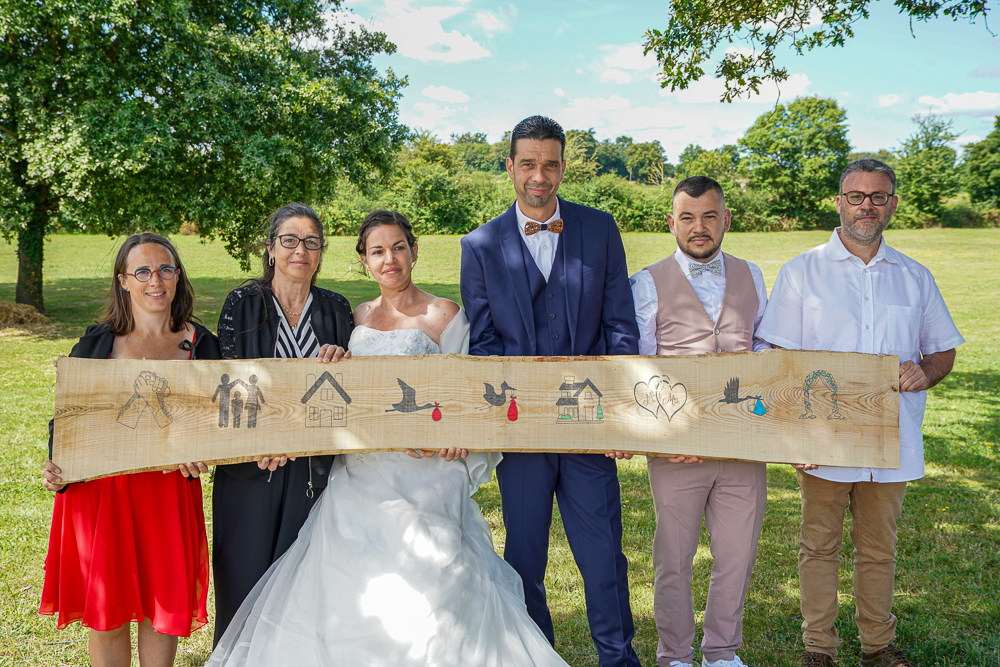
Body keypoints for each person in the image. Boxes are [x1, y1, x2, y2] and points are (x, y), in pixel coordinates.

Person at [207, 210, 570, 667]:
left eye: (398, 248)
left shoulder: (445, 314)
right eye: (377, 251)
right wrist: (337, 356)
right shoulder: (356, 317)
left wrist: (456, 438)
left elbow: (468, 392)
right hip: (360, 469)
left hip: (426, 468)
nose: (390, 259)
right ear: (364, 261)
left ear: (414, 251)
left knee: (433, 564)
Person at [757, 159, 964, 667]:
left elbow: (943, 350)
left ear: (892, 204)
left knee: (878, 548)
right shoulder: (802, 271)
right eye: (856, 196)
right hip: (822, 439)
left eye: (878, 196)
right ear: (839, 203)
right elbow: (775, 359)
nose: (866, 206)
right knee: (819, 546)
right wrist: (793, 436)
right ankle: (818, 648)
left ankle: (878, 645)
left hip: (892, 439)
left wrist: (925, 372)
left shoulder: (915, 277)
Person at [460, 115, 642, 667]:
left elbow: (621, 327)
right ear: (510, 167)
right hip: (522, 431)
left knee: (603, 556)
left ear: (563, 166)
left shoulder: (600, 229)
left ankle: (618, 657)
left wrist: (619, 416)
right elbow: (484, 343)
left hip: (590, 423)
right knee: (524, 558)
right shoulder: (480, 245)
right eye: (528, 164)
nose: (539, 176)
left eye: (550, 164)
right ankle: (535, 655)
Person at [40, 233, 220, 667]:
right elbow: (67, 416)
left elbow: (221, 419)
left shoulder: (203, 345)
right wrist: (57, 463)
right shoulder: (97, 343)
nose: (155, 280)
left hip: (167, 493)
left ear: (178, 276)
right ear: (123, 281)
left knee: (162, 612)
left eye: (165, 269)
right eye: (142, 271)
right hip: (104, 493)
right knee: (109, 616)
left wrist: (202, 449)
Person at [630, 176, 769, 667]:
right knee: (674, 558)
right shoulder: (646, 282)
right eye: (688, 217)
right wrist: (670, 435)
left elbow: (765, 351)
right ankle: (674, 655)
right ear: (672, 223)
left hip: (742, 443)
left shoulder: (752, 275)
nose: (699, 227)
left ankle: (722, 652)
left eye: (710, 216)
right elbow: (640, 369)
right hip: (677, 448)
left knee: (738, 555)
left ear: (726, 219)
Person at [212, 203, 354, 644]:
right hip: (251, 466)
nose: (300, 250)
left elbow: (348, 389)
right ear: (271, 248)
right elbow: (230, 379)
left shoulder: (335, 308)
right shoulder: (243, 303)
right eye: (289, 240)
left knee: (301, 587)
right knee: (243, 582)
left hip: (313, 470)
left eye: (311, 242)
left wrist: (343, 359)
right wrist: (263, 440)